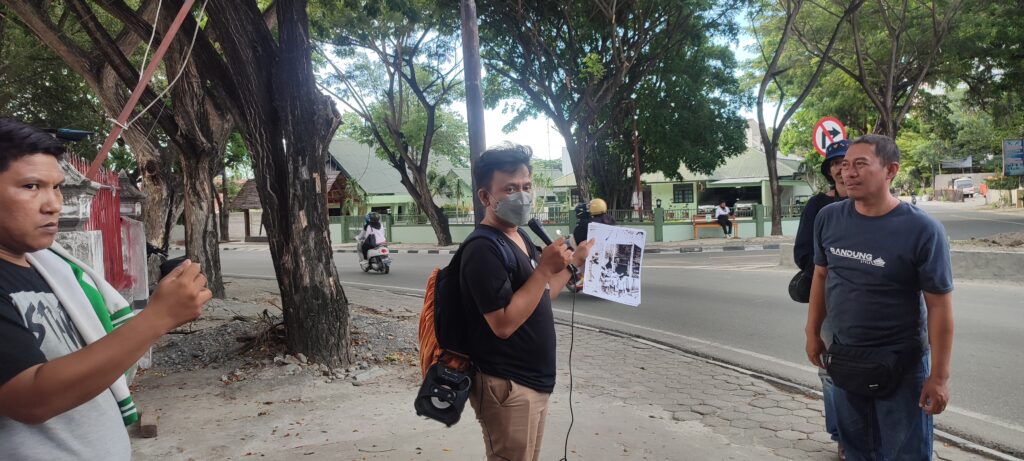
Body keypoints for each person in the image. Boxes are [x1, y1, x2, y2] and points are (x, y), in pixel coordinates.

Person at [0, 118, 212, 460]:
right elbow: (30, 399)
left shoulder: (46, 266)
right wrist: (157, 319)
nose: (53, 204)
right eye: (31, 186)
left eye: (56, 187)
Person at [805, 134, 954, 460]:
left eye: (860, 164)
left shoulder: (923, 230)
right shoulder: (828, 218)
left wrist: (939, 377)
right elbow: (820, 276)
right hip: (846, 358)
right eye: (845, 166)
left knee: (905, 454)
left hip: (902, 365)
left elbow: (939, 306)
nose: (849, 173)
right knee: (857, 451)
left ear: (891, 171)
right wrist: (813, 333)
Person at [460, 143, 593, 461]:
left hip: (533, 381)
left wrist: (577, 262)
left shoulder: (519, 237)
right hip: (507, 384)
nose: (522, 195)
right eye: (509, 188)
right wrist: (546, 267)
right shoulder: (482, 249)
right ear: (485, 197)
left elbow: (543, 294)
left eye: (526, 187)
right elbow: (503, 324)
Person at [792, 139, 849, 457]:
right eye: (837, 163)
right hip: (827, 300)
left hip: (865, 303)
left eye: (850, 162)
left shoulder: (866, 203)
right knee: (830, 370)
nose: (843, 168)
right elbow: (803, 255)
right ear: (829, 170)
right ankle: (841, 435)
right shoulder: (818, 207)